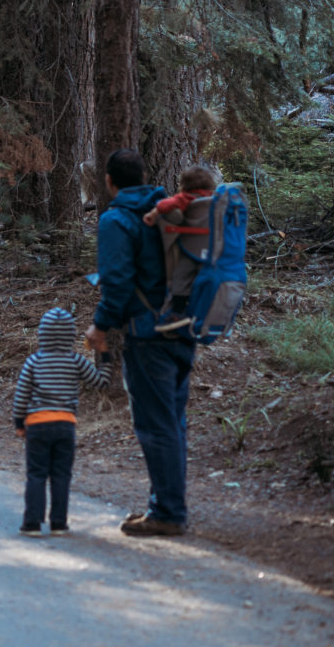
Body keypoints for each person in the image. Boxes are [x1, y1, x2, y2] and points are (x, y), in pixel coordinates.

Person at [84, 148, 196, 537]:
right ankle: (165, 505)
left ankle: (168, 512)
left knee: (156, 424)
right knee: (173, 422)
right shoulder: (166, 209)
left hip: (148, 335)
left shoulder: (117, 219)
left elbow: (115, 280)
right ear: (145, 176)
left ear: (110, 181)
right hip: (184, 328)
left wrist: (100, 327)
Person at [13, 306, 112, 537]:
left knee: (36, 474)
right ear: (70, 334)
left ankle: (32, 524)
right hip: (65, 424)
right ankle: (59, 523)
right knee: (61, 475)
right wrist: (104, 353)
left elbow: (22, 395)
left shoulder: (33, 361)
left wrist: (19, 423)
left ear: (42, 334)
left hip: (37, 424)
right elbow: (102, 382)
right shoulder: (76, 361)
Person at [143, 165, 217, 334]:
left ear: (184, 185)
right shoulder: (216, 200)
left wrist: (152, 214)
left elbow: (163, 206)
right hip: (213, 250)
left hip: (191, 249)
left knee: (180, 278)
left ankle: (177, 312)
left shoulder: (185, 198)